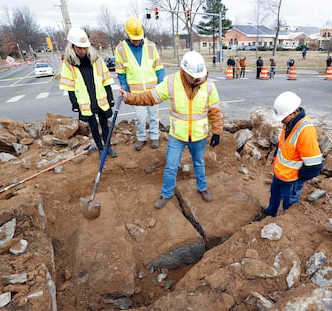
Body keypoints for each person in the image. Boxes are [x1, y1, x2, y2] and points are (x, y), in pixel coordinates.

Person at [117, 51, 223, 209]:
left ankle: (202, 188)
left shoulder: (208, 85)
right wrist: (129, 97)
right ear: (184, 72)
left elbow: (214, 110)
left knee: (199, 163)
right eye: (193, 76)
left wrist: (217, 131)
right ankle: (166, 194)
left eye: (199, 76)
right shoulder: (171, 82)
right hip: (177, 135)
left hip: (199, 135)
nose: (197, 79)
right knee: (171, 165)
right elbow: (150, 97)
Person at [252, 91, 323, 221]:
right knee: (274, 194)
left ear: (294, 112)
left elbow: (315, 165)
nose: (281, 121)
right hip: (280, 173)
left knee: (289, 205)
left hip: (292, 179)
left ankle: (285, 224)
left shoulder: (305, 131)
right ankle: (271, 213)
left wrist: (299, 178)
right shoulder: (289, 124)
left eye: (283, 117)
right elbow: (284, 147)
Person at [59, 27, 117, 159]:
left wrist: (110, 97)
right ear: (73, 47)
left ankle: (108, 146)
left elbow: (106, 79)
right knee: (93, 127)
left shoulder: (96, 59)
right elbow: (70, 86)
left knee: (105, 124)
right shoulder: (69, 63)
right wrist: (74, 103)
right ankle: (100, 148)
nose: (83, 51)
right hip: (85, 101)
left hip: (100, 98)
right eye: (79, 48)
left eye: (85, 48)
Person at [115, 17, 165, 151]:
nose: (136, 40)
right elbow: (121, 72)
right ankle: (141, 138)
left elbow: (158, 67)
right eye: (134, 38)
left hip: (152, 90)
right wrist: (125, 89)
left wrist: (161, 84)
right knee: (140, 118)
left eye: (138, 38)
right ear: (127, 34)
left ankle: (154, 136)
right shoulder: (120, 49)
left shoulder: (150, 46)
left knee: (154, 115)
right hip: (136, 92)